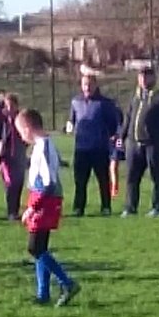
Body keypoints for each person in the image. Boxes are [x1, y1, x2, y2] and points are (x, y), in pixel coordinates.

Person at [17, 109, 80, 307]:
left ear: (27, 128)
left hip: (45, 199)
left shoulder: (43, 146)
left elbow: (48, 183)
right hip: (44, 198)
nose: (21, 136)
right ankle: (43, 293)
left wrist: (32, 207)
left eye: (21, 132)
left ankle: (67, 282)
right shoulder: (45, 143)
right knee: (40, 248)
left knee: (34, 247)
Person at [118, 63, 159, 217]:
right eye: (141, 76)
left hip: (152, 142)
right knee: (132, 177)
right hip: (134, 143)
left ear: (153, 77)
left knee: (156, 175)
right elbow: (128, 118)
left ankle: (158, 207)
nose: (143, 79)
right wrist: (121, 136)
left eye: (146, 75)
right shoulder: (136, 96)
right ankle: (130, 207)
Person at [68, 66, 120, 217]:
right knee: (80, 182)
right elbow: (72, 121)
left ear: (96, 85)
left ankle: (106, 206)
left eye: (90, 84)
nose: (87, 87)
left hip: (99, 148)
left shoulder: (105, 103)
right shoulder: (75, 102)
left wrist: (112, 137)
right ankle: (78, 208)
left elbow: (113, 124)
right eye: (85, 84)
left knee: (103, 180)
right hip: (81, 148)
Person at [0, 92, 28, 220]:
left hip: (19, 154)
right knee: (9, 183)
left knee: (18, 183)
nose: (10, 109)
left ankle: (15, 210)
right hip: (5, 157)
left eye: (12, 106)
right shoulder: (1, 120)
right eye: (7, 106)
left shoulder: (21, 119)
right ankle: (11, 211)